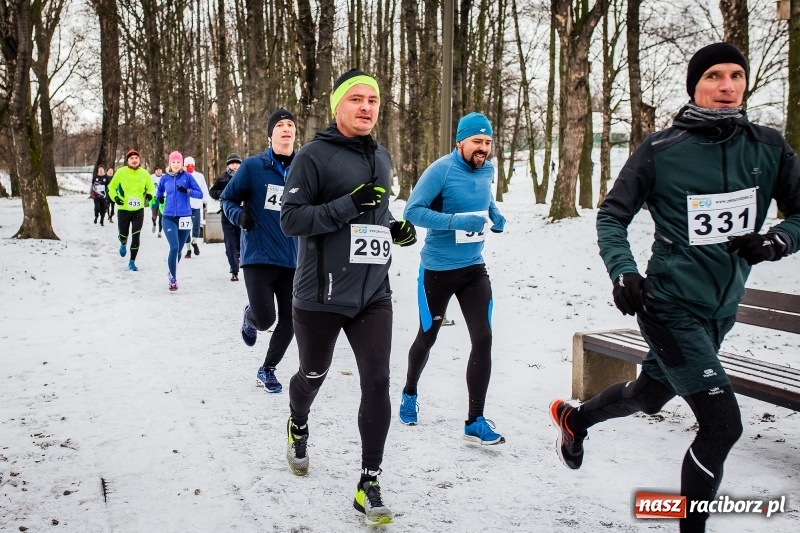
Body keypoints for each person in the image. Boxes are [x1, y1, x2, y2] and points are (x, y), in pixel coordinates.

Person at [549, 43, 800, 533]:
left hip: (720, 310)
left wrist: (777, 240)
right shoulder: (662, 150)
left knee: (649, 394)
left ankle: (576, 421)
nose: (726, 86)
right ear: (694, 87)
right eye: (713, 77)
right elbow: (611, 216)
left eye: (735, 76)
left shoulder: (769, 147)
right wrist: (623, 271)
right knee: (722, 425)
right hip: (668, 306)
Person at [280, 69, 416, 526]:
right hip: (320, 295)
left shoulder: (382, 156)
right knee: (312, 374)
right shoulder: (312, 156)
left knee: (377, 382)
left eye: (373, 100)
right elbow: (292, 220)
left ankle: (368, 482)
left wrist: (393, 226)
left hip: (373, 292)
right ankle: (298, 423)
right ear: (337, 106)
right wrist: (345, 207)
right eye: (356, 98)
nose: (366, 107)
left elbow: (375, 208)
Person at [399, 112, 507, 445]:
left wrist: (494, 212)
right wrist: (455, 221)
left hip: (473, 268)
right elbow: (412, 211)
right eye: (477, 141)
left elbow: (484, 196)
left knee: (484, 338)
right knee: (428, 336)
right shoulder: (441, 170)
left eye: (488, 142)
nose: (483, 148)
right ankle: (409, 392)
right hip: (438, 270)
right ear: (460, 141)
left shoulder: (487, 169)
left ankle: (475, 420)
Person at [222, 110, 301, 394]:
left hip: (293, 258)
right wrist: (238, 217)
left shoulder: (303, 167)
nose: (286, 129)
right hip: (258, 255)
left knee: (292, 320)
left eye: (290, 124)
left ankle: (267, 369)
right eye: (279, 125)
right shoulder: (254, 167)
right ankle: (251, 316)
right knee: (266, 319)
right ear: (270, 134)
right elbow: (227, 198)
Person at [156, 151, 203, 291]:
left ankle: (171, 270)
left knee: (180, 250)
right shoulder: (165, 178)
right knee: (174, 246)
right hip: (168, 217)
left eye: (178, 162)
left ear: (181, 163)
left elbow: (199, 194)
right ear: (169, 164)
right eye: (173, 162)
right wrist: (159, 198)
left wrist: (187, 191)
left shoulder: (187, 177)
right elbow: (159, 191)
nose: (176, 164)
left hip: (184, 218)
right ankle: (173, 278)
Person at [106, 150, 154, 271]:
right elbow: (111, 187)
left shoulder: (145, 173)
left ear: (139, 160)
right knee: (123, 235)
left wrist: (149, 195)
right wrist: (115, 198)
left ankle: (132, 261)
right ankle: (123, 243)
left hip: (138, 210)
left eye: (136, 158)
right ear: (128, 161)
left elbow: (151, 188)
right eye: (131, 158)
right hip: (123, 209)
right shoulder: (121, 172)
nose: (134, 160)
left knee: (136, 236)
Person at [210, 153, 243, 281]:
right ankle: (234, 270)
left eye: (237, 163)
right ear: (228, 165)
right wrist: (221, 194)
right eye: (232, 163)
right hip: (227, 215)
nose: (234, 165)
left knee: (241, 243)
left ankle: (240, 258)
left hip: (242, 214)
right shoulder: (222, 177)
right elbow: (212, 192)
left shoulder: (245, 175)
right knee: (230, 244)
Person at [183, 156, 209, 258]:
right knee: (185, 229)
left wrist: (205, 201)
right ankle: (188, 249)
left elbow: (204, 189)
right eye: (188, 165)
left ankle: (194, 242)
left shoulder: (199, 176)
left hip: (196, 206)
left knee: (196, 228)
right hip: (184, 208)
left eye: (192, 165)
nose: (190, 167)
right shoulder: (182, 176)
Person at [150, 166, 164, 235]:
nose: (159, 171)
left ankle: (159, 232)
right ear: (155, 171)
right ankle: (154, 223)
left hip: (162, 198)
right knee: (154, 214)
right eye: (157, 170)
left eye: (160, 170)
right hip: (154, 198)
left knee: (161, 215)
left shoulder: (165, 177)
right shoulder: (151, 177)